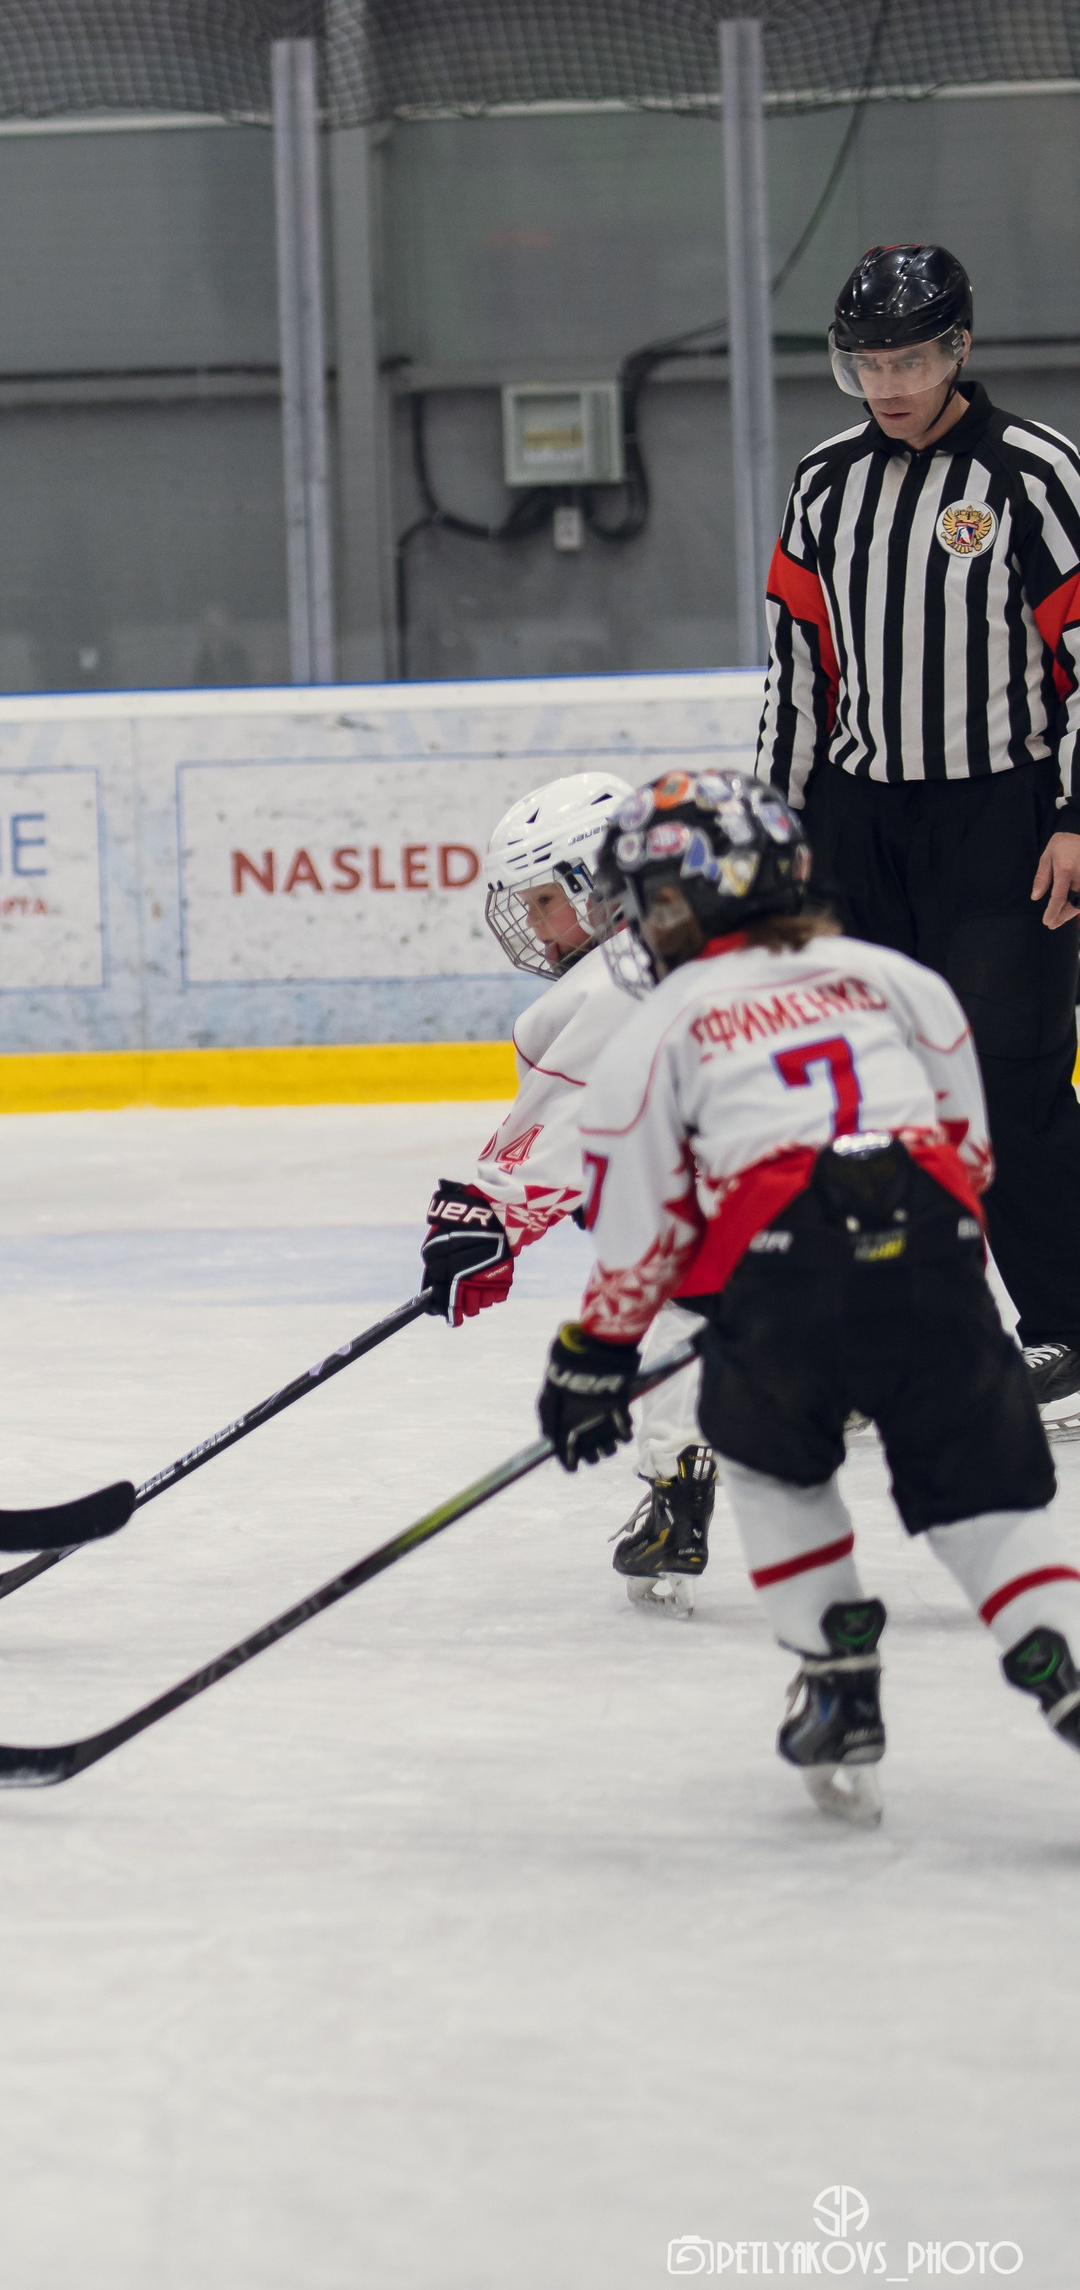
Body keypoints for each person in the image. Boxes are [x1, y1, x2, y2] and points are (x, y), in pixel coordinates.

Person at [535, 769, 1080, 1823]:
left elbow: (636, 1234)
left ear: (686, 900)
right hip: (929, 1258)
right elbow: (967, 1149)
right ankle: (1058, 1654)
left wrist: (589, 1362)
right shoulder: (893, 975)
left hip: (781, 1275)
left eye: (647, 898)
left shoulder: (656, 1025)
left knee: (772, 1464)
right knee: (975, 1492)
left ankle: (836, 1685)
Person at [759, 243, 1080, 1425]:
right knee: (850, 1089)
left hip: (1001, 820)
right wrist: (775, 824)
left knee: (1008, 1078)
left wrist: (1075, 815)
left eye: (908, 357)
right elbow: (799, 669)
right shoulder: (822, 482)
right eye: (865, 361)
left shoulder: (1034, 474)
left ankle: (1064, 1325)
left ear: (959, 350)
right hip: (857, 819)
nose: (886, 381)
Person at [421, 770, 718, 1608]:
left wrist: (484, 1222)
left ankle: (676, 1487)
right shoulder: (719, 923)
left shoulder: (610, 982)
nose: (533, 925)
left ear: (595, 882)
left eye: (544, 900)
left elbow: (559, 1137)